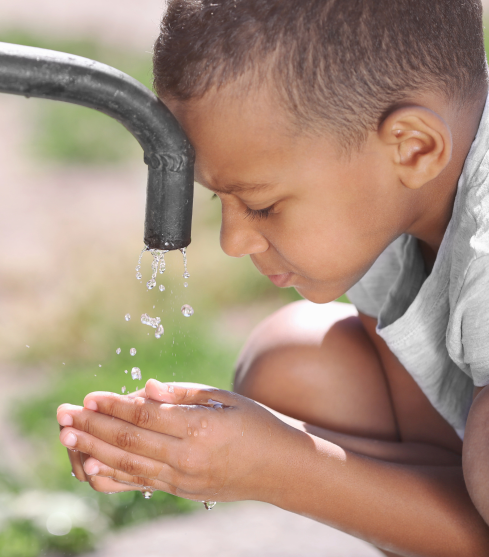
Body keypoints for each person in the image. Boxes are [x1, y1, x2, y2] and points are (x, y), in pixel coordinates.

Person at [55, 1, 489, 555]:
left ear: (414, 148)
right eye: (222, 199)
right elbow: (441, 472)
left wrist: (278, 466)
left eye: (261, 205)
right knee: (293, 366)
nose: (232, 242)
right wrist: (221, 449)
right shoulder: (390, 207)